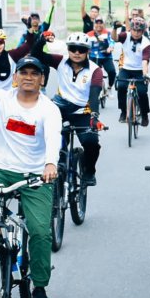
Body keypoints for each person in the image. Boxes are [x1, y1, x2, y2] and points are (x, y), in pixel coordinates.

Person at [0, 51, 61, 298]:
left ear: (42, 79)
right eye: (24, 73)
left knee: (40, 232)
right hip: (2, 170)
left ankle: (39, 286)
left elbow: (54, 139)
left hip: (36, 174)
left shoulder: (49, 110)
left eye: (34, 73)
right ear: (16, 77)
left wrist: (50, 163)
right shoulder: (1, 100)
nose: (28, 77)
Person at [31, 32, 104, 186]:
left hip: (82, 111)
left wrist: (94, 117)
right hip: (60, 108)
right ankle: (57, 160)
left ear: (87, 51)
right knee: (49, 137)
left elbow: (94, 95)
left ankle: (89, 171)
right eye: (73, 49)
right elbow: (36, 54)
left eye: (81, 50)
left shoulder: (95, 70)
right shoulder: (60, 62)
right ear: (68, 49)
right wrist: (41, 40)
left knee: (92, 143)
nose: (77, 53)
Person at [113, 17, 150, 125]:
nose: (136, 33)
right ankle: (123, 111)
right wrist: (114, 29)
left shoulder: (146, 43)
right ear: (131, 29)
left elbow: (145, 61)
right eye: (134, 30)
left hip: (139, 70)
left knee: (142, 92)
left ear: (143, 31)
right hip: (126, 68)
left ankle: (144, 115)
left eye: (139, 31)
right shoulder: (126, 36)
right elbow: (115, 38)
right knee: (121, 87)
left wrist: (145, 75)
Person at [87, 17, 117, 92]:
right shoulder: (89, 34)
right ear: (94, 24)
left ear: (103, 24)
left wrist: (110, 48)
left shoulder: (107, 33)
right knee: (88, 74)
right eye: (97, 23)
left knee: (112, 71)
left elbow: (112, 42)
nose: (99, 25)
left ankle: (109, 88)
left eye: (101, 23)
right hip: (93, 57)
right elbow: (85, 44)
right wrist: (87, 50)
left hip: (106, 57)